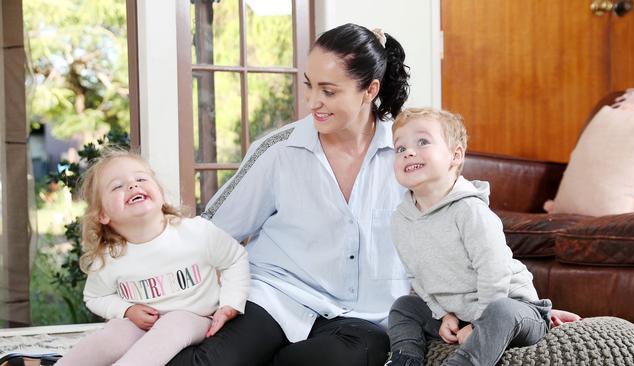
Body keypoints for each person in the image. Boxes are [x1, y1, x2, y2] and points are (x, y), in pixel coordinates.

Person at [168, 23, 412, 366]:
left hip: (365, 317)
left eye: (328, 91)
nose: (313, 102)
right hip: (276, 296)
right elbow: (213, 231)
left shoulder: (408, 156)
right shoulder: (278, 150)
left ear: (370, 90)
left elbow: (452, 227)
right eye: (309, 86)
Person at [384, 108, 557, 366]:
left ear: (455, 156)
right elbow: (418, 277)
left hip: (512, 307)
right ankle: (405, 358)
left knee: (501, 312)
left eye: (422, 142)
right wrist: (443, 315)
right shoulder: (401, 220)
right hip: (458, 311)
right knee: (404, 306)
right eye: (400, 148)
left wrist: (478, 324)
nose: (409, 152)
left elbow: (494, 273)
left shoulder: (470, 211)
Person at [55, 148, 250, 366]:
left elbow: (235, 259)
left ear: (160, 192)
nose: (132, 186)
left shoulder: (195, 232)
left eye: (140, 178)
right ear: (103, 215)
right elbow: (95, 297)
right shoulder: (110, 257)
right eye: (117, 186)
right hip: (143, 325)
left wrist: (230, 303)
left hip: (196, 318)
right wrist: (126, 310)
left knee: (174, 323)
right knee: (117, 330)